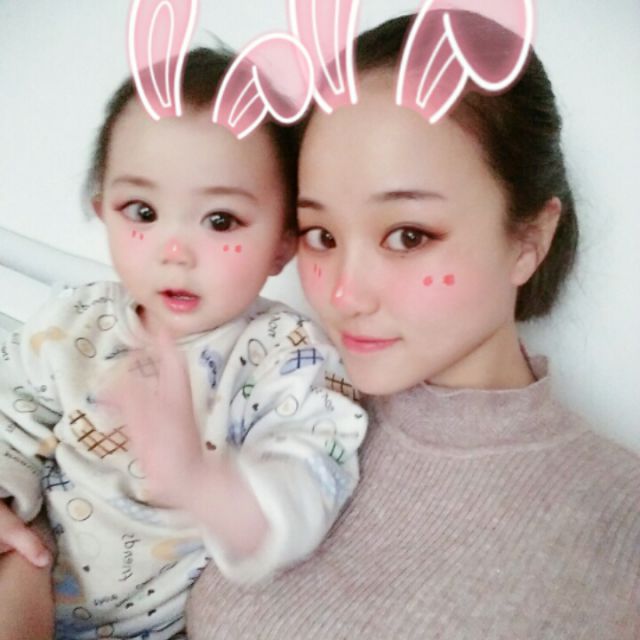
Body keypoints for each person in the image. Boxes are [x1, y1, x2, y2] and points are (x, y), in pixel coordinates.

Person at [184, 12, 640, 639]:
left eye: (407, 235)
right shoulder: (267, 393)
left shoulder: (620, 523)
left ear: (529, 239)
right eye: (321, 235)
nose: (343, 294)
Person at [0, 47, 365, 639]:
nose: (174, 251)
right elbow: (7, 411)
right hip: (27, 572)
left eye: (220, 220)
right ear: (103, 211)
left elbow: (309, 480)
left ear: (283, 243)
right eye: (142, 211)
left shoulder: (286, 355)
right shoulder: (74, 323)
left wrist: (201, 481)